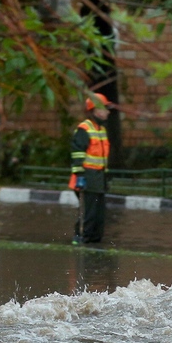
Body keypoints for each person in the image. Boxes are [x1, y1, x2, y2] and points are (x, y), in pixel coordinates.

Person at [69, 92, 111, 245]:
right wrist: (80, 176)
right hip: (87, 177)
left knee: (98, 212)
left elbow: (102, 158)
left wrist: (105, 178)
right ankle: (82, 237)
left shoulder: (101, 130)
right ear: (96, 111)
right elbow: (78, 152)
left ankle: (94, 239)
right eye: (105, 109)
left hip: (99, 177)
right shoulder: (84, 129)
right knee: (88, 211)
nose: (108, 112)